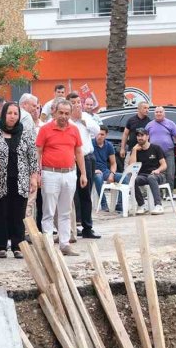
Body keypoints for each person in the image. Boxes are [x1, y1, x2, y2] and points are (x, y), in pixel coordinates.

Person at [36, 98, 87, 256]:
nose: (64, 116)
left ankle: (64, 244)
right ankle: (49, 244)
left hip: (70, 173)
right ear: (54, 112)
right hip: (50, 173)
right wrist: (37, 173)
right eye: (61, 113)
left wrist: (83, 173)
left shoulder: (74, 130)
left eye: (67, 113)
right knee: (49, 211)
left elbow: (78, 152)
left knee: (66, 211)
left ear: (71, 114)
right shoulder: (45, 129)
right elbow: (38, 151)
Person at [0, 102, 39, 259]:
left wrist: (34, 177)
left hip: (21, 180)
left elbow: (33, 157)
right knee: (1, 213)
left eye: (15, 113)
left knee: (18, 213)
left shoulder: (25, 134)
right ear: (4, 114)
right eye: (9, 113)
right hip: (0, 180)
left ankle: (18, 246)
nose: (12, 116)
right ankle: (0, 246)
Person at [67, 93, 101, 239]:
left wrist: (81, 119)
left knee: (85, 194)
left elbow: (97, 131)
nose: (76, 105)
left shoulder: (86, 117)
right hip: (70, 159)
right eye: (73, 102)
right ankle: (74, 226)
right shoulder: (65, 120)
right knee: (71, 194)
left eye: (78, 102)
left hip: (87, 158)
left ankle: (88, 227)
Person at [130, 127, 167, 215]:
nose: (140, 138)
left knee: (151, 177)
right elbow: (132, 166)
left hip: (158, 174)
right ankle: (142, 205)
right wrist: (134, 150)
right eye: (138, 136)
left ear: (147, 137)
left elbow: (164, 165)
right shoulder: (136, 150)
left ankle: (158, 205)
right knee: (133, 180)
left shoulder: (156, 148)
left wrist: (158, 170)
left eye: (142, 135)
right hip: (143, 175)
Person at [145, 106, 176, 188]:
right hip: (154, 153)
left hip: (168, 152)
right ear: (154, 113)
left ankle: (169, 194)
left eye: (160, 112)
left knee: (170, 173)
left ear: (164, 113)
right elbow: (145, 138)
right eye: (156, 112)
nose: (158, 114)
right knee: (156, 173)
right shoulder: (149, 125)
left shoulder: (170, 123)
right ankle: (159, 192)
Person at [92, 126, 122, 212]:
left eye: (102, 134)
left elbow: (113, 163)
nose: (99, 136)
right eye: (98, 134)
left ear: (106, 135)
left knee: (124, 178)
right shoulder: (90, 144)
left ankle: (119, 204)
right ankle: (103, 204)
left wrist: (112, 174)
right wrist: (93, 170)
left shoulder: (108, 145)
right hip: (92, 170)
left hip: (105, 170)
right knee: (98, 177)